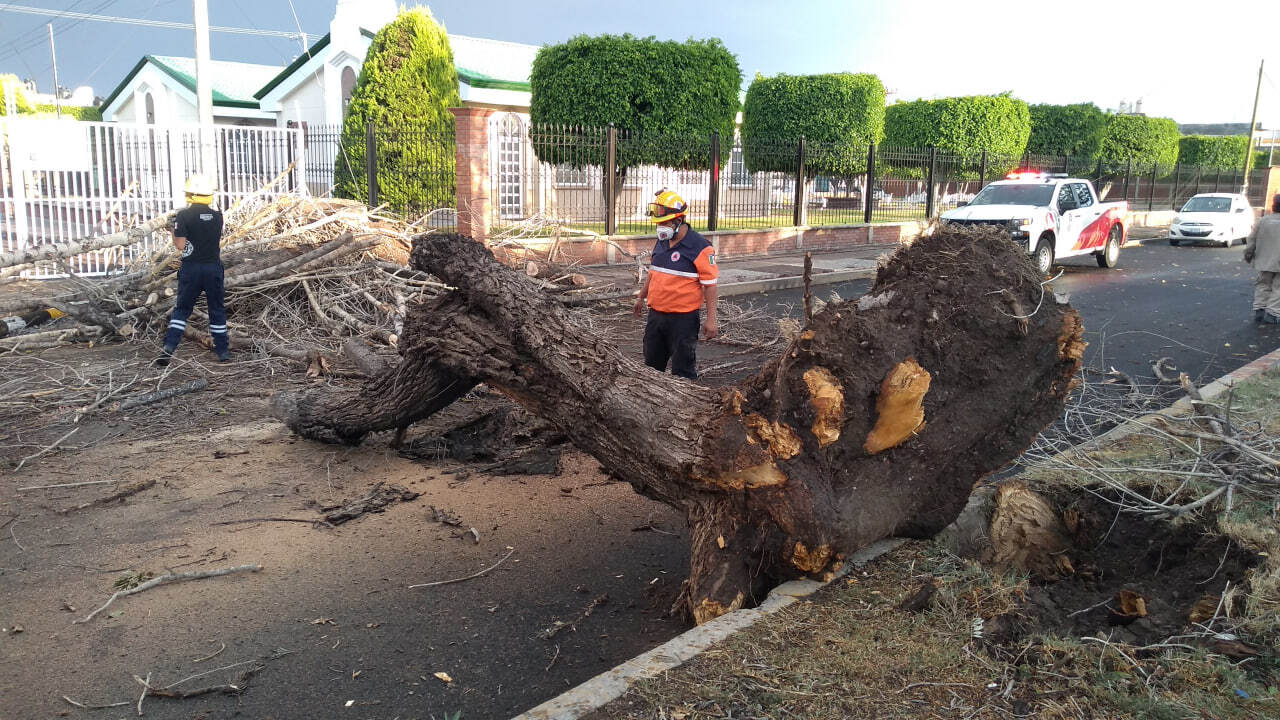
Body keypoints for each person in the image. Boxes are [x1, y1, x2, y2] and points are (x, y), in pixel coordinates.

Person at [632, 189, 718, 379]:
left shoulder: (701, 247)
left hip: (683, 321)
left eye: (664, 223)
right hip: (656, 317)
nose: (660, 228)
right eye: (659, 224)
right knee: (652, 368)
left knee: (683, 370)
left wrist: (712, 320)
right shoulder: (662, 242)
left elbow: (710, 285)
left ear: (678, 221)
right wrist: (640, 297)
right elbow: (654, 273)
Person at [156, 174, 229, 365]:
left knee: (182, 310)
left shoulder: (184, 216)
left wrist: (173, 230)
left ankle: (169, 347)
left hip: (191, 269)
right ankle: (222, 352)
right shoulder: (217, 217)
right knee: (217, 310)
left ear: (190, 195)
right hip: (213, 268)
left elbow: (180, 245)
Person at [1244, 193, 1280, 324]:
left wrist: (1248, 254)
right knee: (1278, 288)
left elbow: (1251, 239)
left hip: (1264, 260)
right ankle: (1272, 313)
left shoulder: (1263, 221)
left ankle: (1259, 309)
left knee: (1263, 284)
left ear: (1273, 206)